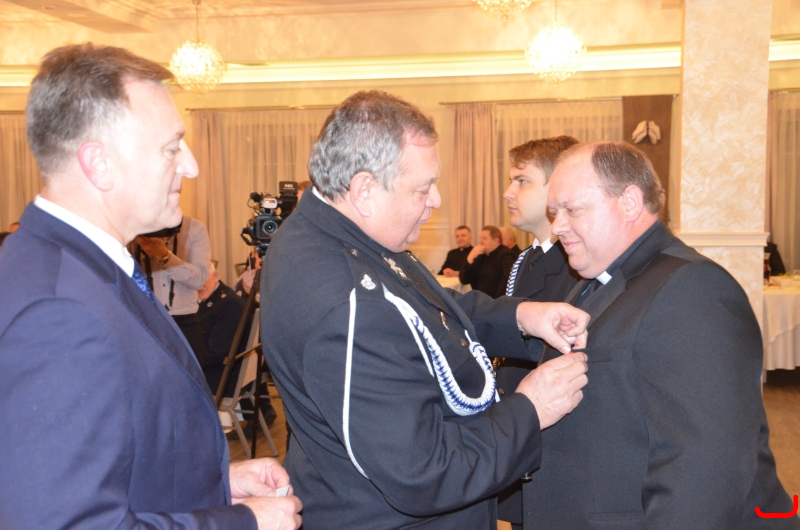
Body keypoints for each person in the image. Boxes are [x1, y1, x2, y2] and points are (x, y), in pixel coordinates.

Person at [0, 43, 301, 530]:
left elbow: (119, 457)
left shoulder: (85, 268)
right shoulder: (55, 312)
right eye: (171, 147)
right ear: (99, 164)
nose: (191, 166)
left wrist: (215, 484)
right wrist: (243, 523)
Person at [260, 90, 590, 529]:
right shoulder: (345, 300)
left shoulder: (335, 231)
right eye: (422, 188)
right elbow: (424, 470)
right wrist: (531, 408)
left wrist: (520, 317)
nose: (435, 199)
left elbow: (425, 306)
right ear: (364, 190)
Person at [522, 141, 797, 530]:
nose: (557, 226)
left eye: (572, 209)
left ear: (630, 203)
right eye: (554, 212)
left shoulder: (692, 289)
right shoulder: (597, 278)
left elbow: (704, 470)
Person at [496, 135, 581, 529]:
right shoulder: (528, 258)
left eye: (522, 180)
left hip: (553, 439)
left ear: (557, 187)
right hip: (519, 419)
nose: (508, 192)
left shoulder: (573, 265)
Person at [132, 214, 211, 367]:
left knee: (190, 378)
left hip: (185, 323)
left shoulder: (194, 228)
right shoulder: (133, 226)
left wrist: (163, 255)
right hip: (144, 321)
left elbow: (199, 280)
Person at [460, 225, 516, 298]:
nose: (480, 242)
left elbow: (507, 282)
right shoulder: (480, 255)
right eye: (480, 238)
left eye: (484, 238)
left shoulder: (507, 256)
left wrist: (495, 302)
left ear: (495, 241)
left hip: (496, 300)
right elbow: (464, 280)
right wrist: (469, 258)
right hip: (479, 299)